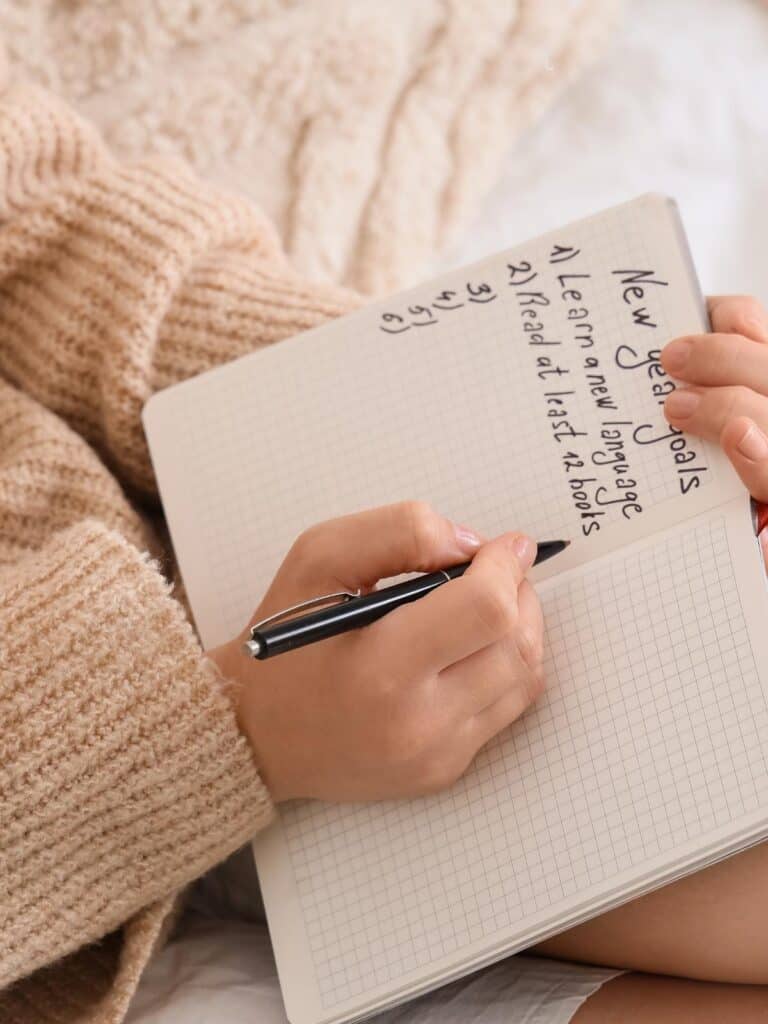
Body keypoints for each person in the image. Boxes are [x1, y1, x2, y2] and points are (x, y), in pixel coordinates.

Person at [1, 63, 767, 1024]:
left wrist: (417, 393)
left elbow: (48, 228)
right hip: (107, 808)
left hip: (250, 598)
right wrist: (237, 730)